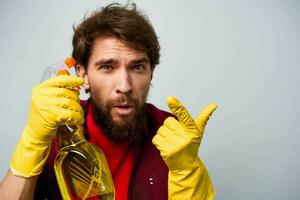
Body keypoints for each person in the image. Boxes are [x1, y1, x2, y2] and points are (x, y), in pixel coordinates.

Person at [0, 3, 217, 200]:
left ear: (151, 73)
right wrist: (33, 141)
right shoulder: (55, 129)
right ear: (83, 75)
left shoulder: (171, 133)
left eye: (137, 67)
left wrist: (188, 171)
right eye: (107, 67)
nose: (124, 85)